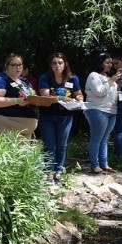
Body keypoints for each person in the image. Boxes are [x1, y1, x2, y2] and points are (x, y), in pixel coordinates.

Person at [37, 52, 84, 182]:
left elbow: (79, 94)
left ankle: (59, 171)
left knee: (62, 145)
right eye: (54, 63)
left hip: (65, 115)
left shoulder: (72, 78)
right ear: (50, 65)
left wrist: (79, 98)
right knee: (49, 145)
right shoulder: (45, 77)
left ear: (65, 64)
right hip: (48, 115)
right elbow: (45, 95)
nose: (57, 65)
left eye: (60, 63)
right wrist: (60, 97)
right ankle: (48, 172)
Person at [84, 52, 121, 174]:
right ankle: (95, 165)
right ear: (100, 63)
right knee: (96, 139)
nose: (110, 65)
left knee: (105, 139)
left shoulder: (107, 77)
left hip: (111, 110)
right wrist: (111, 81)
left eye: (111, 63)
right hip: (97, 110)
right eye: (107, 62)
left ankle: (104, 164)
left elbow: (111, 93)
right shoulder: (94, 76)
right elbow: (99, 92)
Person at [0, 53, 38, 138]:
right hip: (5, 126)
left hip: (25, 129)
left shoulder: (24, 81)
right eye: (14, 65)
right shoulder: (0, 79)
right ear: (7, 66)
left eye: (20, 65)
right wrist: (17, 101)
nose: (18, 67)